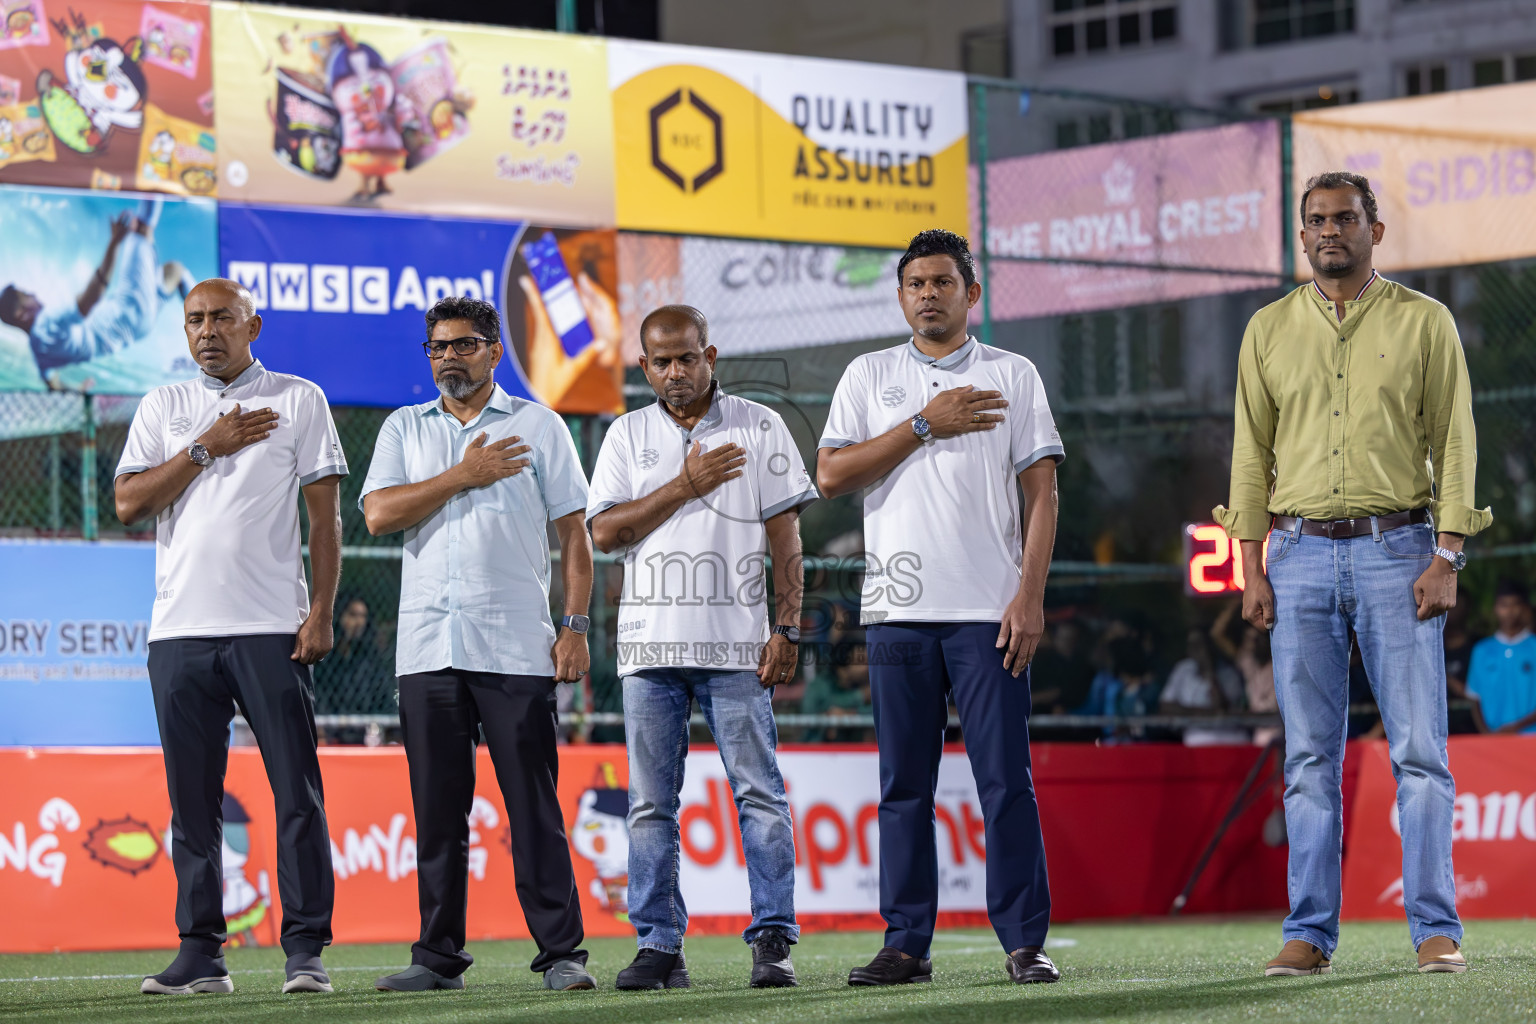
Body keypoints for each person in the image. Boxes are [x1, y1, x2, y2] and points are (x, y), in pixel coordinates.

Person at [1214, 171, 1491, 977]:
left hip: (1399, 551)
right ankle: (1308, 933)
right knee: (1307, 759)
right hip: (1295, 557)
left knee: (1420, 752)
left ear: (1376, 229)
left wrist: (1447, 554)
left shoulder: (1425, 322)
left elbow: (1458, 441)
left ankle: (1436, 928)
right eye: (1315, 221)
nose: (1329, 231)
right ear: (1301, 237)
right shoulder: (1266, 329)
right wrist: (1251, 563)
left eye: (1344, 218)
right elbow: (1248, 456)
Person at [817, 229, 1063, 986]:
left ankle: (1025, 942)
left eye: (942, 282)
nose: (928, 293)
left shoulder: (1013, 373)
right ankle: (905, 943)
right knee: (903, 786)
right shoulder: (868, 375)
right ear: (900, 297)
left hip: (989, 612)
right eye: (916, 283)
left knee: (1004, 781)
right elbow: (830, 475)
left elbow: (1044, 492)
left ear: (971, 294)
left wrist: (1029, 595)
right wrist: (925, 422)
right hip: (896, 613)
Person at [113, 278, 346, 996]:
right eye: (194, 320)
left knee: (296, 793)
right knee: (193, 803)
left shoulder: (299, 399)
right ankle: (201, 954)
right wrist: (205, 447)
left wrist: (321, 611)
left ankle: (305, 951)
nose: (207, 331)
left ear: (254, 324)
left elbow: (326, 520)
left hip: (271, 627)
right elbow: (127, 503)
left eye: (221, 318)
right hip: (180, 632)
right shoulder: (163, 407)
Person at [361, 296, 596, 992]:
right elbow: (377, 514)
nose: (448, 358)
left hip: (517, 647)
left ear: (495, 350)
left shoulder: (539, 425)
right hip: (428, 648)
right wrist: (463, 474)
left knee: (534, 811)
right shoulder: (404, 428)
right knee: (437, 815)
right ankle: (438, 960)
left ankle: (562, 956)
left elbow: (575, 540)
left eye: (463, 345)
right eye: (437, 348)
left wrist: (575, 627)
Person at [587, 305, 817, 990]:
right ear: (645, 367)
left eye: (688, 357)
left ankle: (773, 939)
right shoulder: (627, 435)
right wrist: (685, 484)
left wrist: (788, 629)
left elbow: (787, 541)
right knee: (651, 805)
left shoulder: (761, 425)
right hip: (648, 652)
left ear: (709, 355)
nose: (676, 372)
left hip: (740, 651)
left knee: (761, 796)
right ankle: (660, 945)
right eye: (662, 361)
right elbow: (605, 533)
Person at [1, 197, 192, 378]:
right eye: (25, 295)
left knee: (174, 270)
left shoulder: (39, 352)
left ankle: (206, 310)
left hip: (138, 329)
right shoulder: (47, 324)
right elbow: (91, 298)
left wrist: (76, 390)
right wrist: (114, 243)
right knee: (140, 229)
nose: (32, 294)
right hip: (128, 311)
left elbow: (49, 379)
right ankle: (155, 175)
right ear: (21, 314)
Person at [1466, 579, 1536, 735]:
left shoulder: (1534, 646)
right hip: (1493, 740)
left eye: (1515, 604)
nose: (1510, 611)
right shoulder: (1481, 650)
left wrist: (1515, 728)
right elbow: (1474, 698)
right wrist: (1486, 734)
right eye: (1504, 605)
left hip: (1531, 738)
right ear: (1495, 608)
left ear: (1524, 608)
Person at [1160, 626, 1247, 746]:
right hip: (1194, 737)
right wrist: (1200, 712)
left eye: (1201, 644)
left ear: (1210, 646)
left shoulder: (1228, 672)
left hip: (1228, 738)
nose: (1196, 649)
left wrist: (1209, 670)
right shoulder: (1183, 669)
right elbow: (1166, 706)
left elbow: (1222, 708)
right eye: (1192, 645)